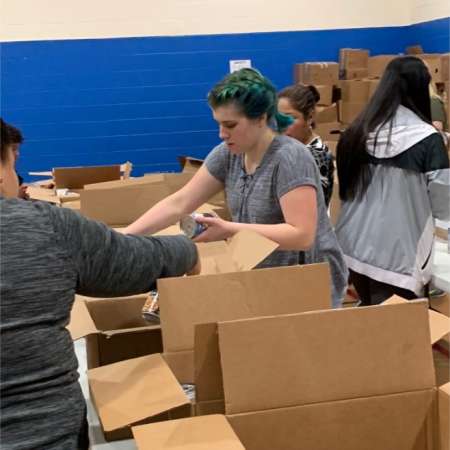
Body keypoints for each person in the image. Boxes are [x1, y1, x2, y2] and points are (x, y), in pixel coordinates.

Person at [0, 118, 200, 449]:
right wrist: (187, 250)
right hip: (46, 433)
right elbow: (132, 261)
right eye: (13, 162)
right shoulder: (43, 226)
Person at [124, 68, 347, 307]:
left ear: (261, 118)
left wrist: (230, 229)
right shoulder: (229, 154)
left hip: (306, 282)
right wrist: (122, 239)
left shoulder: (290, 158)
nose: (222, 134)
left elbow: (302, 235)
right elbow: (180, 202)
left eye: (230, 125)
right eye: (219, 124)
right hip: (262, 273)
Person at [335, 56, 450, 306]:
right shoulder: (428, 139)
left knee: (372, 328)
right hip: (399, 260)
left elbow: (344, 191)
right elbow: (444, 205)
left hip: (352, 249)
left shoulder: (357, 132)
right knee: (400, 339)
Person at [278, 84, 334, 206]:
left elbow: (313, 209)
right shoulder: (290, 149)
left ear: (310, 117)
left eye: (291, 118)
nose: (282, 126)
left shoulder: (316, 156)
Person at [1, 119, 29, 199]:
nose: (17, 154)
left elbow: (20, 186)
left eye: (17, 149)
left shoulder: (11, 171)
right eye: (13, 149)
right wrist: (16, 196)